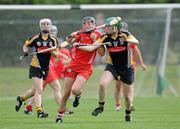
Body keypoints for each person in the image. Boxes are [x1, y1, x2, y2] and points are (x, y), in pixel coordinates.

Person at [73, 16, 138, 122]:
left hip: (127, 68)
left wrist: (127, 40)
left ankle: (128, 113)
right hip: (112, 66)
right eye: (106, 27)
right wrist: (78, 45)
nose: (106, 29)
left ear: (116, 28)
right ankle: (100, 106)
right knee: (102, 84)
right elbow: (91, 48)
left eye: (108, 27)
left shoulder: (125, 34)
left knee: (127, 98)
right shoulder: (104, 37)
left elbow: (136, 42)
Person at [55, 16, 102, 123]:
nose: (87, 25)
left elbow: (100, 52)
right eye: (85, 23)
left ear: (94, 24)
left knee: (75, 90)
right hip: (73, 65)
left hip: (86, 68)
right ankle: (60, 115)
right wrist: (71, 37)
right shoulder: (79, 33)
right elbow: (67, 43)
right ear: (83, 25)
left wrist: (94, 40)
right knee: (66, 92)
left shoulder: (98, 35)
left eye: (90, 23)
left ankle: (78, 96)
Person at [23, 25, 74, 115]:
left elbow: (55, 54)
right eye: (52, 31)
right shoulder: (45, 41)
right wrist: (62, 56)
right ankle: (63, 108)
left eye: (54, 31)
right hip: (46, 69)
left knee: (36, 90)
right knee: (53, 88)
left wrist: (61, 56)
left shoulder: (53, 41)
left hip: (48, 69)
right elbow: (55, 56)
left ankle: (27, 106)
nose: (53, 33)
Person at [15, 18, 59, 118]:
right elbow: (26, 45)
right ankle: (39, 111)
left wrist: (52, 50)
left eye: (48, 24)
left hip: (46, 67)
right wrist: (25, 52)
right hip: (35, 66)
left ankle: (21, 99)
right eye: (43, 24)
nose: (45, 25)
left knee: (34, 91)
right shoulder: (35, 38)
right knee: (39, 90)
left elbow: (56, 55)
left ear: (50, 26)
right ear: (40, 26)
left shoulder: (53, 39)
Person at [113, 22, 147, 111]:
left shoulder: (130, 39)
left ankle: (130, 103)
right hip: (118, 66)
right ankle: (117, 104)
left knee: (130, 85)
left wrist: (142, 63)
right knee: (118, 85)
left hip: (130, 66)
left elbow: (136, 51)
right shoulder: (114, 39)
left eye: (125, 29)